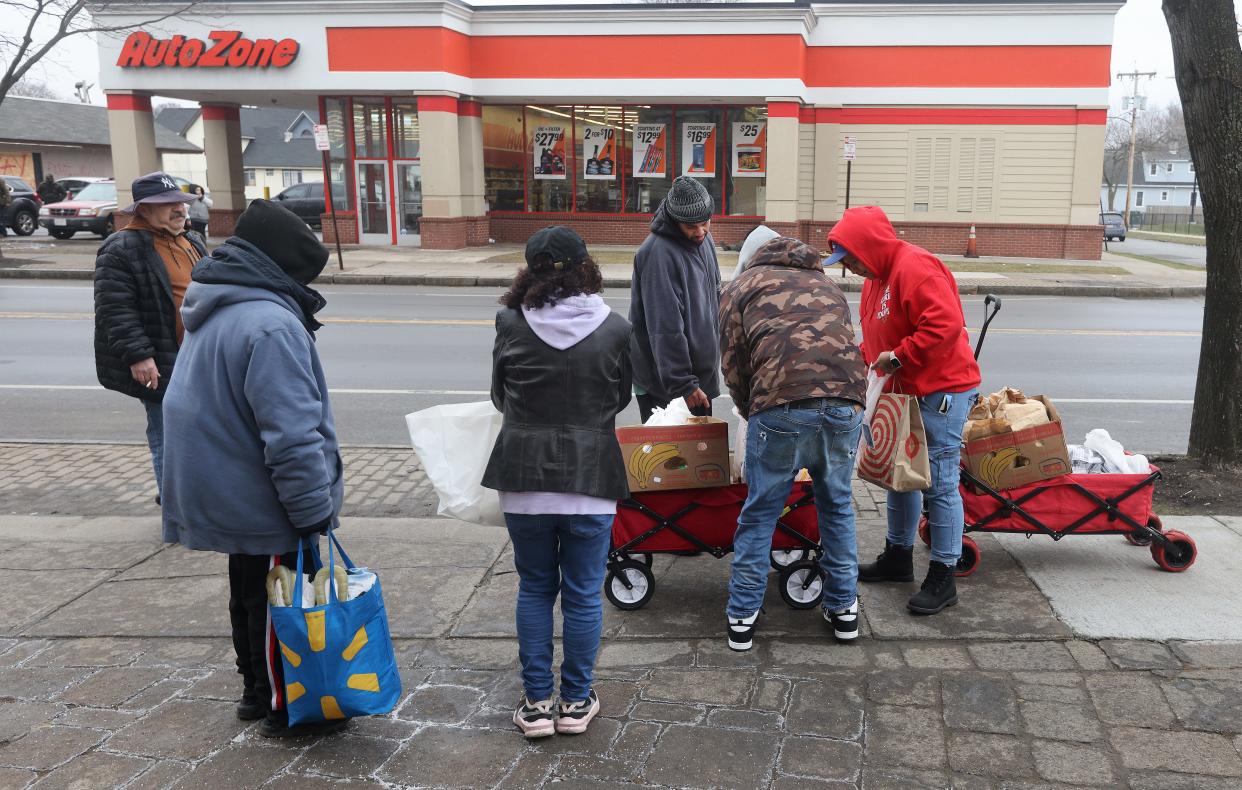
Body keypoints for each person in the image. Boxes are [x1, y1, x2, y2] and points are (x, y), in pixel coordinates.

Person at [161, 199, 346, 738]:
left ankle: (254, 690)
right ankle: (284, 705)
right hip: (259, 492)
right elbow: (290, 436)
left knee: (248, 591)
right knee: (279, 599)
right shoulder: (270, 325)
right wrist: (313, 510)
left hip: (226, 482)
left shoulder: (220, 303)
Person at [482, 226, 632, 739]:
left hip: (523, 475)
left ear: (529, 271)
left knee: (535, 588)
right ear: (587, 266)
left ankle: (536, 703)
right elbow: (620, 398)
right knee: (586, 594)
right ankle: (574, 702)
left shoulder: (508, 321)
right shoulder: (615, 327)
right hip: (592, 473)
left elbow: (501, 396)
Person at [826, 205, 982, 615]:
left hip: (940, 390)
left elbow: (943, 326)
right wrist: (858, 358)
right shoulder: (877, 278)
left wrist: (898, 358)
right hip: (905, 391)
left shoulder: (914, 267)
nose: (852, 269)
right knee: (900, 473)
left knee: (940, 480)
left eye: (852, 259)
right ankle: (898, 556)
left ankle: (943, 575)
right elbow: (880, 337)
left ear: (869, 247)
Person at [718, 236, 868, 650]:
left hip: (780, 406)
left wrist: (752, 408)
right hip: (846, 405)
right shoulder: (829, 285)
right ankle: (844, 611)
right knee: (836, 507)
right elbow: (845, 347)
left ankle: (742, 618)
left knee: (761, 512)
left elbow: (733, 362)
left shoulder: (741, 287)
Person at [93, 172, 204, 501]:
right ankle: (175, 508)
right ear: (142, 209)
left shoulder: (190, 241)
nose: (178, 210)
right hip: (162, 359)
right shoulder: (121, 247)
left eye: (180, 203)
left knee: (199, 434)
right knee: (167, 436)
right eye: (167, 204)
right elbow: (115, 309)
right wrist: (139, 356)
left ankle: (192, 499)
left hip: (198, 356)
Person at [629, 175, 721, 422]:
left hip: (698, 378)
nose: (700, 231)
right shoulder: (657, 253)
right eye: (692, 226)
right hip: (668, 385)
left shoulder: (704, 241)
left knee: (701, 458)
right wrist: (683, 384)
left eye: (705, 223)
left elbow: (714, 297)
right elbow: (664, 326)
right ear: (674, 220)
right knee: (670, 458)